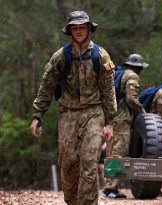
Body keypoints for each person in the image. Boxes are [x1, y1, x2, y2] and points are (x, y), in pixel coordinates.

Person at [30, 11, 117, 205]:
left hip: (94, 113)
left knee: (88, 163)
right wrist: (37, 115)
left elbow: (109, 91)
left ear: (88, 29)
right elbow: (47, 86)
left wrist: (111, 122)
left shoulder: (100, 56)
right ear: (70, 31)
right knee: (68, 164)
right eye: (74, 28)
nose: (78, 31)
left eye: (82, 27)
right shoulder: (61, 57)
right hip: (68, 114)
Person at [103, 54, 148, 198]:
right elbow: (131, 98)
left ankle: (111, 187)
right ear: (138, 67)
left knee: (115, 151)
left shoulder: (121, 74)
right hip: (122, 120)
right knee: (118, 153)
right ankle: (111, 188)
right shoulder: (132, 76)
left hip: (115, 118)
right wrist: (142, 110)